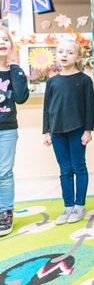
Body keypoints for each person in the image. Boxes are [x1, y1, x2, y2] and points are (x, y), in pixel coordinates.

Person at [43, 39, 94, 225]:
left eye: (70, 52)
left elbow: (90, 107)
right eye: (61, 51)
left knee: (78, 167)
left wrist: (88, 130)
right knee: (65, 170)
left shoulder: (84, 80)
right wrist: (46, 131)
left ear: (78, 57)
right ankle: (68, 206)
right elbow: (47, 108)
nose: (64, 55)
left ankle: (79, 205)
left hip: (77, 129)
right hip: (57, 131)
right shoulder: (52, 81)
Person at [0, 26, 29, 236]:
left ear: (10, 44)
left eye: (5, 39)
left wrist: (14, 70)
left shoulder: (15, 71)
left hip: (7, 129)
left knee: (4, 172)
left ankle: (5, 212)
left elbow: (20, 97)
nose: (1, 42)